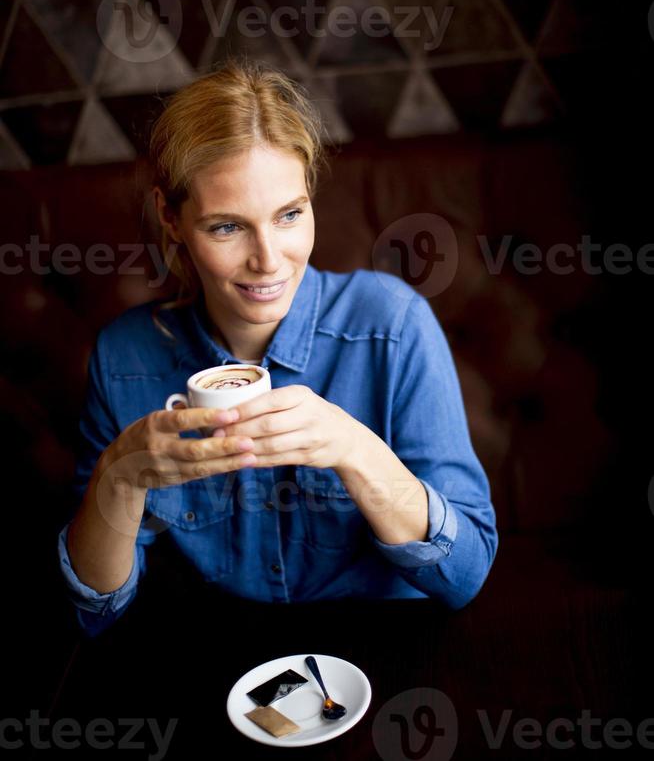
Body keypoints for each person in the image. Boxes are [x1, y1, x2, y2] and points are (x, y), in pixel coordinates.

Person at [57, 59, 498, 641]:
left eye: (289, 215)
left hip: (383, 651)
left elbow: (466, 574)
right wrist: (119, 477)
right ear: (172, 217)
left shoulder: (392, 325)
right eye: (226, 227)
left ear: (311, 197)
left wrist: (356, 450)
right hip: (218, 659)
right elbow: (94, 613)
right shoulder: (126, 355)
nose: (268, 259)